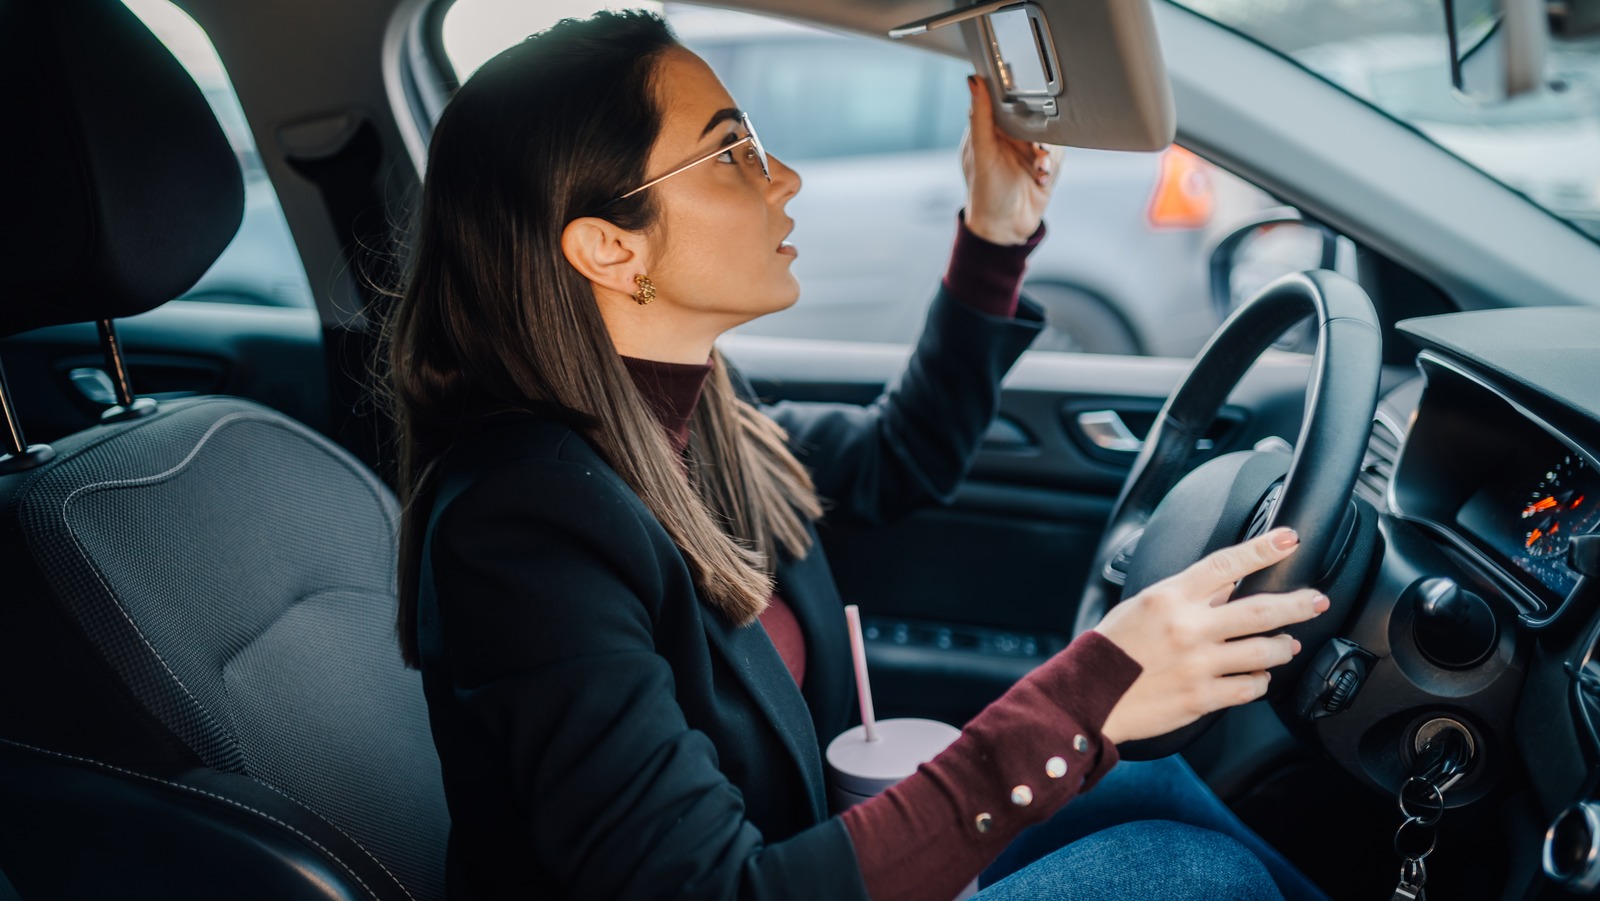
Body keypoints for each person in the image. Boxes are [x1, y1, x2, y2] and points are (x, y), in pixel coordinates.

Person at [384, 10, 1331, 900]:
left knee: (1155, 790)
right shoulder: (523, 531)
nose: (782, 176)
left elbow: (901, 456)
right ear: (609, 248)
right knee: (1185, 872)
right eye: (731, 151)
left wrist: (994, 235)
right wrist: (1083, 698)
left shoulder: (699, 408)